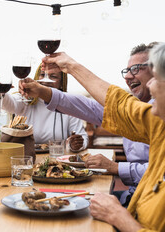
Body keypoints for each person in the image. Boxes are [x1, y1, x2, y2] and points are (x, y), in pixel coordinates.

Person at [21, 43, 165, 231]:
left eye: (138, 69)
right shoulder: (155, 120)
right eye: (127, 70)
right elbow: (100, 107)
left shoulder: (156, 120)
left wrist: (118, 216)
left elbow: (118, 102)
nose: (151, 84)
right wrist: (45, 91)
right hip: (133, 201)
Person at [0, 64, 88, 151]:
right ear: (37, 78)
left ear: (61, 83)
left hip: (56, 158)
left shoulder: (68, 104)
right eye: (42, 75)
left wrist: (75, 145)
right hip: (27, 157)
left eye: (53, 76)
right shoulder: (25, 98)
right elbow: (9, 105)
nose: (47, 80)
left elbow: (83, 138)